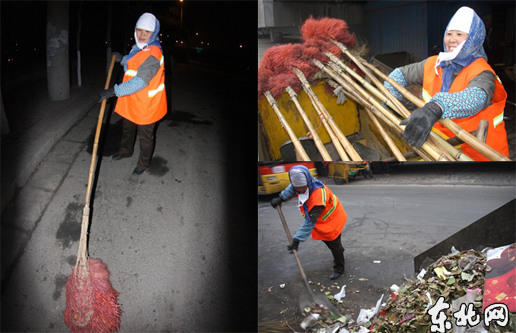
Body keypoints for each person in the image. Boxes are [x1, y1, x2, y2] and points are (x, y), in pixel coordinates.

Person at [384, 6, 509, 161]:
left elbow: (476, 97)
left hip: (480, 153)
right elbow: (400, 74)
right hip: (442, 148)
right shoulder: (435, 63)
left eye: (459, 34)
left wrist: (437, 107)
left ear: (474, 38)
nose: (452, 39)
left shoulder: (482, 71)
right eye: (449, 34)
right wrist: (388, 97)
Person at [99, 12, 167, 175]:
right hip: (131, 101)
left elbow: (140, 81)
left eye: (147, 32)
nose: (142, 35)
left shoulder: (154, 53)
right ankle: (125, 151)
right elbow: (132, 63)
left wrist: (114, 91)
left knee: (145, 138)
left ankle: (143, 164)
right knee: (127, 130)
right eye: (139, 30)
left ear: (154, 33)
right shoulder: (137, 48)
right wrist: (121, 58)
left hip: (146, 106)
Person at [270, 165, 347, 280]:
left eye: (303, 187)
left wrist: (297, 239)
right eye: (298, 188)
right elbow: (292, 187)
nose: (300, 190)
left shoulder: (318, 196)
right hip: (321, 222)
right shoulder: (303, 183)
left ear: (308, 182)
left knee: (335, 245)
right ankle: (338, 253)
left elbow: (309, 222)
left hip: (332, 220)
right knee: (329, 243)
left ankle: (339, 267)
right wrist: (281, 198)